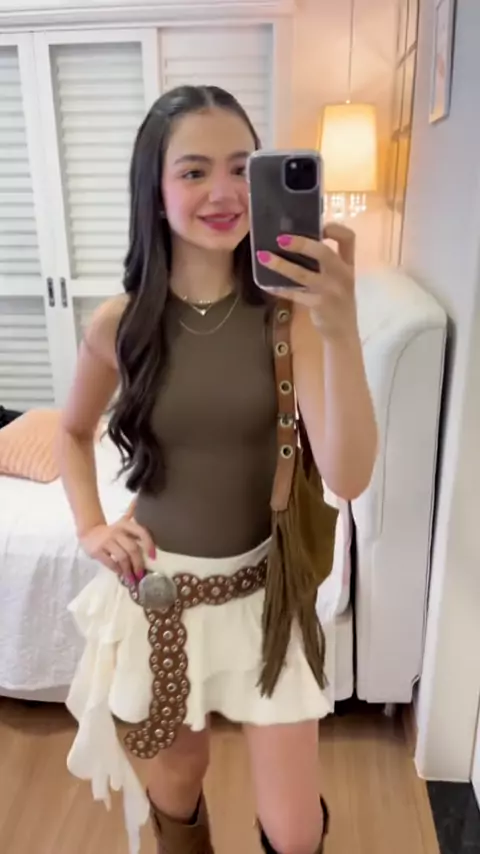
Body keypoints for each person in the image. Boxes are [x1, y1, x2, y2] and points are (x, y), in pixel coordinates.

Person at [58, 85, 377, 854]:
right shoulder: (120, 324)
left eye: (242, 167)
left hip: (268, 596)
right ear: (155, 190)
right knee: (177, 786)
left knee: (295, 829)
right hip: (159, 597)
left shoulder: (290, 314)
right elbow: (69, 430)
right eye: (194, 171)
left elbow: (350, 475)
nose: (224, 191)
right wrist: (91, 527)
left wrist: (341, 328)